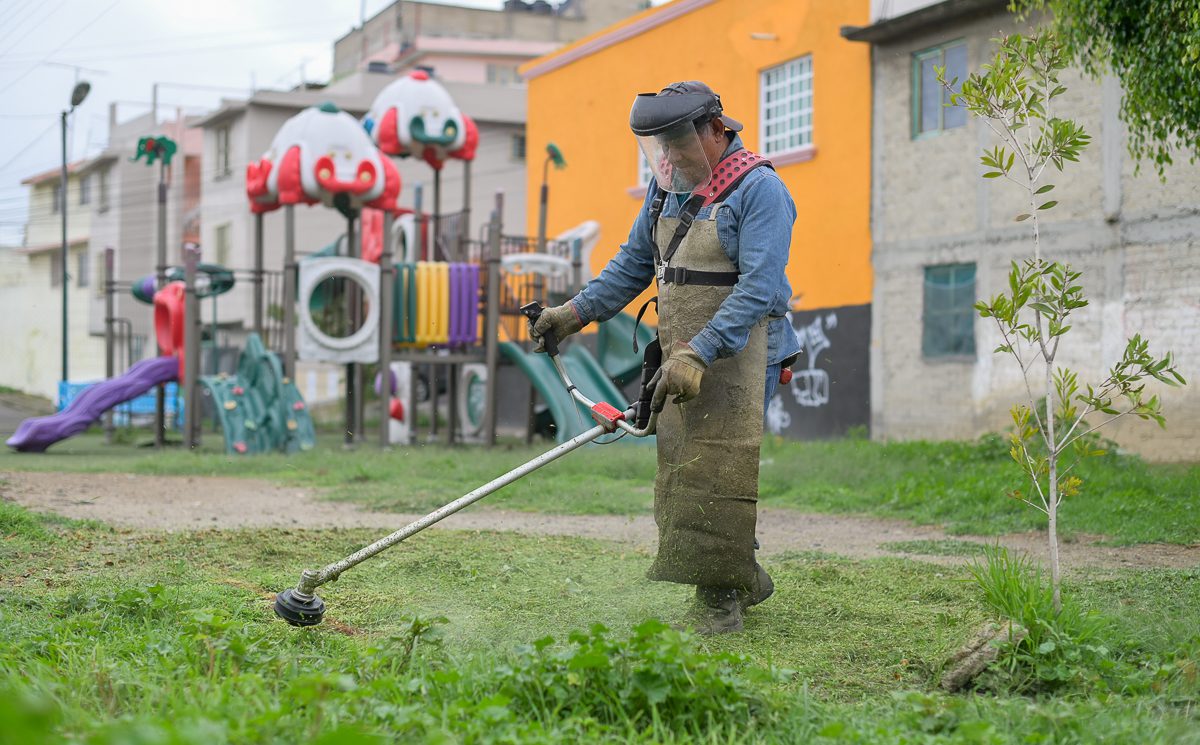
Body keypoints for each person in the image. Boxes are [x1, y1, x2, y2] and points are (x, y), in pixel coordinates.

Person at [531, 81, 801, 634]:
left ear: (717, 131)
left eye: (680, 144)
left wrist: (699, 353)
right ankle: (741, 576)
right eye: (660, 147)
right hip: (682, 349)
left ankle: (721, 597)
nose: (670, 158)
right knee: (682, 463)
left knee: (717, 463)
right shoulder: (666, 190)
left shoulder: (760, 191)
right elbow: (633, 264)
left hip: (748, 350)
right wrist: (574, 313)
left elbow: (757, 289)